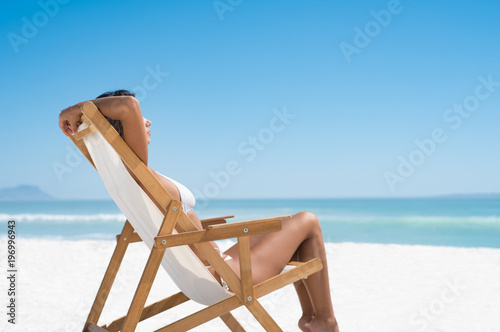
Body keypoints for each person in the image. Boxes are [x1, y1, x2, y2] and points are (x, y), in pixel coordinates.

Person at [58, 90, 340, 332]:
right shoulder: (137, 173)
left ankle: (311, 318)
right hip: (223, 277)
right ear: (119, 126)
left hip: (211, 266)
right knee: (308, 221)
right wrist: (75, 109)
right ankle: (326, 323)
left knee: (288, 225)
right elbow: (129, 104)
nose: (148, 121)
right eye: (142, 120)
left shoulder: (128, 176)